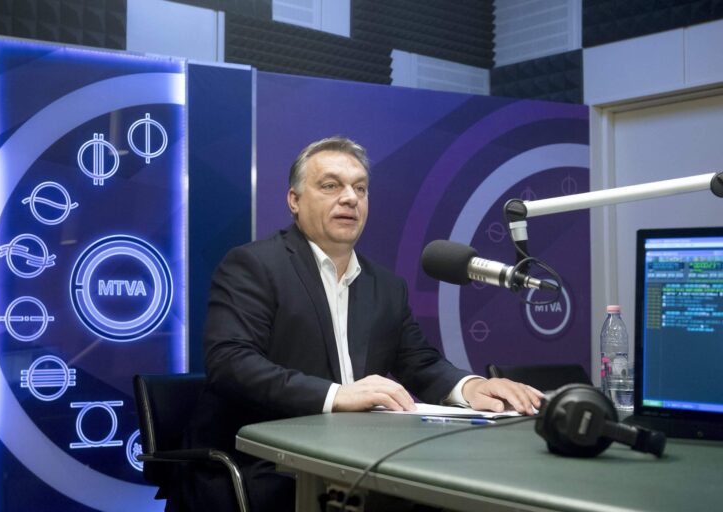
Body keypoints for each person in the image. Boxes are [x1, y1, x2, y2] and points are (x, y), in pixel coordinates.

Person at [169, 136, 543, 512]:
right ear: (294, 200)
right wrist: (336, 396)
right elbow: (231, 364)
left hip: (358, 460)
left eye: (360, 188)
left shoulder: (386, 286)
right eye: (331, 185)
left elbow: (420, 362)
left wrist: (471, 386)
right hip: (263, 465)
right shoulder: (254, 266)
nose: (350, 198)